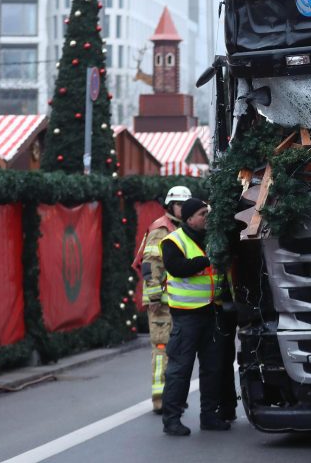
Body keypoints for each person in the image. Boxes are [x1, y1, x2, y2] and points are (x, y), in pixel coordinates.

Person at [160, 197, 230, 436]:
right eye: (202, 214)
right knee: (180, 370)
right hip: (187, 317)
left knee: (212, 368)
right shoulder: (173, 241)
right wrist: (202, 261)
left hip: (211, 313)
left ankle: (209, 416)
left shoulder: (213, 240)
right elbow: (177, 268)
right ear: (189, 218)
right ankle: (172, 419)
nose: (207, 218)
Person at [132, 185, 190, 415]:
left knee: (175, 350)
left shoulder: (177, 227)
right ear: (169, 205)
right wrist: (155, 296)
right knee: (162, 349)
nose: (183, 208)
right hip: (161, 303)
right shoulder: (161, 229)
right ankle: (160, 397)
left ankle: (172, 397)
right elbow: (151, 266)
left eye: (185, 205)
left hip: (174, 301)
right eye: (179, 204)